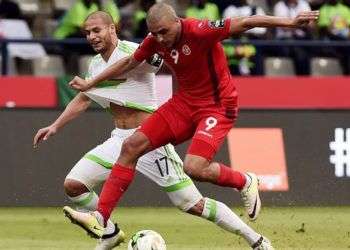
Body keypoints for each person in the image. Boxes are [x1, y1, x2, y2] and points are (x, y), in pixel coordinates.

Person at [65, 2, 318, 245]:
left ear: (177, 22)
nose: (160, 39)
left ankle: (244, 181)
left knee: (194, 167)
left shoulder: (200, 30)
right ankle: (101, 219)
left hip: (217, 105)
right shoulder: (155, 40)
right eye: (154, 33)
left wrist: (289, 22)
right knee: (131, 146)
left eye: (164, 32)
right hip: (184, 103)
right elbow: (130, 62)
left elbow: (247, 22)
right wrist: (90, 83)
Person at [34, 11, 274, 250]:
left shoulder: (133, 50)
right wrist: (55, 125)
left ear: (112, 29)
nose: (91, 36)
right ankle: (109, 233)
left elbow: (161, 59)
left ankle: (256, 239)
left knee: (193, 204)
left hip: (150, 141)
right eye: (87, 33)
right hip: (120, 139)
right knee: (74, 185)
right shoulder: (96, 65)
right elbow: (84, 98)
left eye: (96, 30)